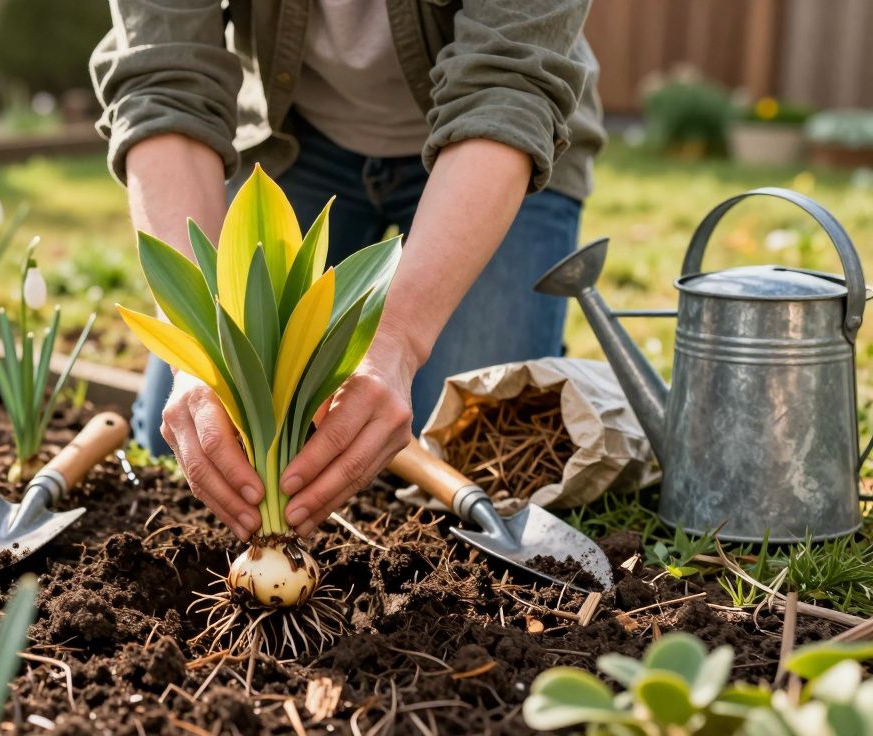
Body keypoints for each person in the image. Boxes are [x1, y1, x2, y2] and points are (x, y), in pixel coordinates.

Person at [91, 0, 604, 542]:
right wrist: (202, 354)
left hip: (494, 143)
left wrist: (400, 341)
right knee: (186, 437)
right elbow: (164, 78)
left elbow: (509, 85)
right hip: (296, 137)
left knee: (476, 450)